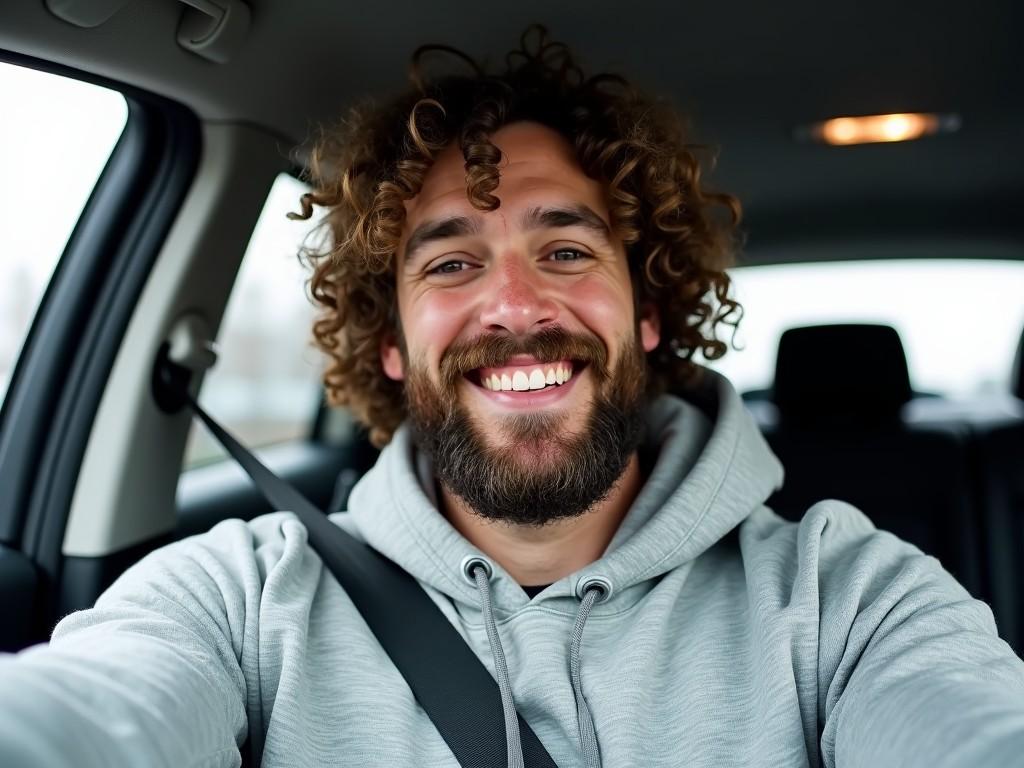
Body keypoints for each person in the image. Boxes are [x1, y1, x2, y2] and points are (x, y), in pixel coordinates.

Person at [1, 27, 1023, 768]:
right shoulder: (240, 600)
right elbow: (89, 711)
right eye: (449, 267)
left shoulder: (843, 596)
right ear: (390, 343)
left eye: (566, 249)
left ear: (650, 314)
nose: (514, 305)